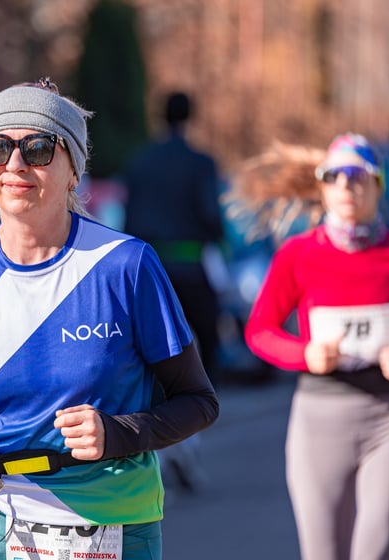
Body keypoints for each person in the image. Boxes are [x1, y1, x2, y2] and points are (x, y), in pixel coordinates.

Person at [0, 78, 219, 560]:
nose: (15, 165)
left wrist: (116, 432)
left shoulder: (125, 265)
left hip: (112, 521)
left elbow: (199, 402)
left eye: (38, 148)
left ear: (73, 170)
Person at [229, 133, 389, 560]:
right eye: (333, 176)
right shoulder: (298, 255)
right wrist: (305, 354)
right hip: (318, 424)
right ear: (321, 186)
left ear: (378, 186)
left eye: (358, 176)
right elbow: (259, 330)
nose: (346, 186)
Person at [120, 91, 224, 494]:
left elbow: (127, 221)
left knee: (150, 363)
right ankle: (186, 440)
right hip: (191, 270)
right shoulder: (201, 164)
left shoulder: (139, 163)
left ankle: (166, 446)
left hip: (147, 273)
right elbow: (211, 219)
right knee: (200, 364)